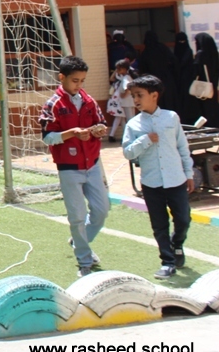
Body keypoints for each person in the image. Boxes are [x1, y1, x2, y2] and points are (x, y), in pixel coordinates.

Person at [38, 55, 110, 278]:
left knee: (102, 210)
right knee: (77, 216)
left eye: (82, 81)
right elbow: (47, 137)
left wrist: (99, 130)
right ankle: (84, 260)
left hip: (93, 165)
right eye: (75, 80)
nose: (79, 85)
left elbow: (101, 123)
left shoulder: (89, 101)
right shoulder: (53, 104)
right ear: (62, 78)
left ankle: (79, 241)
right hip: (69, 168)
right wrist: (71, 133)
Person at [121, 75, 194, 280]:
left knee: (183, 219)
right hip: (151, 183)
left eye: (140, 95)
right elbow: (128, 153)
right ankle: (167, 262)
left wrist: (188, 174)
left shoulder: (171, 117)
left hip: (176, 179)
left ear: (154, 95)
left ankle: (177, 243)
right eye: (134, 96)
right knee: (159, 224)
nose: (136, 100)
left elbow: (182, 147)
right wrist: (145, 140)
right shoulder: (133, 125)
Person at [136, 31, 178, 111]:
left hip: (153, 82)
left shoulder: (146, 52)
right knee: (169, 101)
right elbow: (174, 62)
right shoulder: (163, 48)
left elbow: (142, 69)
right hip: (167, 79)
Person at [189, 32, 219, 128]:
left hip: (203, 86)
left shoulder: (201, 54)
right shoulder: (214, 53)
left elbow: (196, 70)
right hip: (213, 84)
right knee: (213, 106)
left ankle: (208, 125)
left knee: (205, 107)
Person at [106, 59, 135, 143]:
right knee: (123, 119)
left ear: (125, 69)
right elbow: (112, 78)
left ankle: (131, 137)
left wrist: (123, 95)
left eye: (119, 68)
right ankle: (128, 136)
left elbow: (127, 87)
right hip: (125, 102)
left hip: (127, 102)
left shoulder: (126, 77)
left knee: (130, 119)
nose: (117, 70)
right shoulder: (123, 77)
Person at [172, 32, 196, 124]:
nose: (181, 43)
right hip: (181, 80)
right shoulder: (185, 50)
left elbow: (182, 63)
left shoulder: (187, 51)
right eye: (180, 41)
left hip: (185, 80)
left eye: (183, 41)